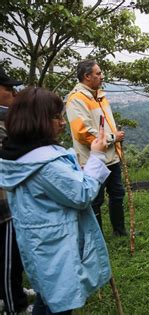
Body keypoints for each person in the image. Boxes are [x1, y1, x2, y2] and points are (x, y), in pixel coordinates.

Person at [0, 87, 112, 314]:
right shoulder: (45, 164)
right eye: (56, 117)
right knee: (58, 302)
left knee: (49, 295)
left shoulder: (18, 154)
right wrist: (97, 155)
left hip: (39, 242)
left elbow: (61, 188)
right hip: (57, 246)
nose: (62, 122)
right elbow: (81, 194)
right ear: (38, 120)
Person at [66, 59, 127, 236]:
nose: (102, 76)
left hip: (112, 157)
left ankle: (119, 230)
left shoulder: (99, 95)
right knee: (95, 199)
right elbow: (82, 132)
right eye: (98, 73)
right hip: (92, 159)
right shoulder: (76, 99)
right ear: (87, 76)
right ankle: (96, 235)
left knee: (117, 194)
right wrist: (112, 138)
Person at [0, 68, 32, 314]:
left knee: (12, 252)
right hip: (3, 200)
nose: (13, 93)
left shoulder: (5, 118)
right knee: (8, 257)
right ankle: (15, 306)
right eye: (7, 88)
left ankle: (14, 292)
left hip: (9, 196)